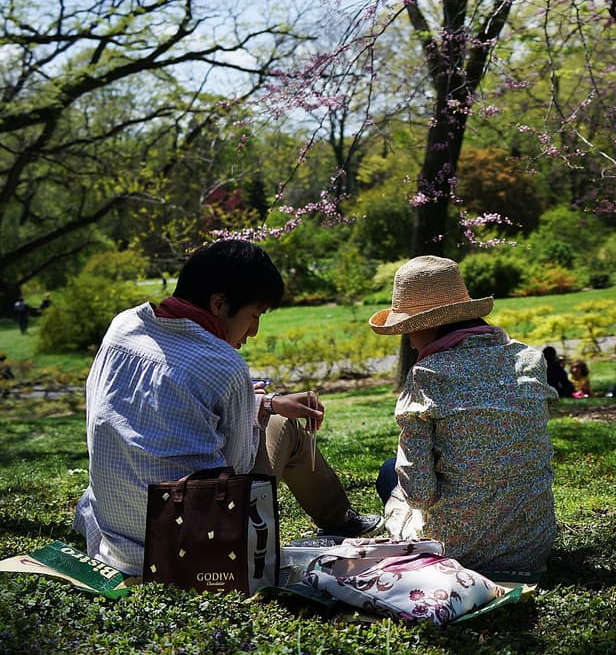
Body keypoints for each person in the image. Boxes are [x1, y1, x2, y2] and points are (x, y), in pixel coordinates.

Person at [74, 239, 381, 578]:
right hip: (194, 550)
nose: (254, 332)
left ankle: (342, 519)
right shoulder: (225, 364)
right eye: (255, 315)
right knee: (286, 427)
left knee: (273, 416)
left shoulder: (122, 328)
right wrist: (263, 410)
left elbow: (160, 400)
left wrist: (267, 402)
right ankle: (342, 521)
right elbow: (238, 467)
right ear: (219, 303)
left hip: (116, 544)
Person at [369, 256, 557, 583]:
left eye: (408, 329)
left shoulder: (428, 375)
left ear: (427, 325)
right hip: (531, 547)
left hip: (454, 551)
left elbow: (419, 494)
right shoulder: (530, 360)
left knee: (389, 472)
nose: (409, 341)